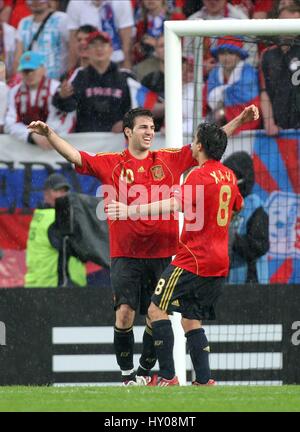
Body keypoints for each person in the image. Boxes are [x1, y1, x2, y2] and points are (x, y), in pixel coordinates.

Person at [26, 105, 259, 385]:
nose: (150, 132)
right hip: (126, 253)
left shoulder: (170, 159)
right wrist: (50, 134)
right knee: (125, 314)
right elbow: (75, 155)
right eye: (144, 127)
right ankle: (128, 375)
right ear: (128, 132)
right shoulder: (111, 162)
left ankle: (148, 372)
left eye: (152, 127)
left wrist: (240, 120)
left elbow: (211, 141)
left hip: (164, 252)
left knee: (155, 316)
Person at [106, 121, 244, 386]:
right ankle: (204, 381)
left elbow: (174, 203)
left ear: (200, 146)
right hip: (219, 261)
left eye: (194, 140)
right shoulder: (228, 175)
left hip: (192, 258)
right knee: (192, 320)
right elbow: (238, 204)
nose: (191, 144)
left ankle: (168, 377)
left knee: (156, 310)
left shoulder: (197, 175)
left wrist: (129, 211)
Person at [52, 31, 131, 133]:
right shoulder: (79, 75)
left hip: (118, 141)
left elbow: (140, 108)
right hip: (87, 140)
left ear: (111, 50)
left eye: (103, 45)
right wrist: (62, 97)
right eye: (94, 45)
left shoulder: (126, 77)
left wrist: (127, 122)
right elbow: (67, 109)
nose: (99, 49)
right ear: (88, 51)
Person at [25, 173, 87, 288]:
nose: (62, 195)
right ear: (46, 193)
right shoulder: (55, 218)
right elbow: (78, 249)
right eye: (58, 191)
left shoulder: (40, 215)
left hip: (39, 285)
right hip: (54, 288)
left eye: (65, 191)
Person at [4, 50, 72, 148]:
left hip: (55, 147)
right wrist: (31, 135)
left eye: (32, 70)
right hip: (25, 147)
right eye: (25, 71)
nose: (29, 74)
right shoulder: (14, 92)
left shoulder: (56, 88)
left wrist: (47, 135)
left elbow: (62, 119)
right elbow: (10, 123)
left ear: (43, 69)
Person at [223, 151, 269, 283]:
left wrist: (233, 240)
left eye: (231, 177)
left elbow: (259, 246)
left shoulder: (256, 207)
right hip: (227, 281)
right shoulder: (225, 206)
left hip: (252, 281)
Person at [260, 5, 300, 136]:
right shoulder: (267, 55)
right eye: (285, 21)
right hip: (278, 130)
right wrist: (269, 122)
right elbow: (264, 91)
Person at [207, 36, 261, 132]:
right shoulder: (214, 73)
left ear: (239, 55)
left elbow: (247, 97)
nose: (226, 58)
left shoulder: (249, 72)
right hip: (219, 122)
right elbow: (208, 97)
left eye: (231, 53)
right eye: (222, 53)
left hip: (249, 123)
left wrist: (221, 98)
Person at [66, 0, 134, 71]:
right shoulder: (75, 3)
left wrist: (127, 71)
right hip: (88, 65)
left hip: (115, 63)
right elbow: (73, 45)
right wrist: (70, 72)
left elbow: (127, 45)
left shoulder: (122, 2)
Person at [13, 0, 69, 80]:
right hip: (31, 84)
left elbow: (73, 50)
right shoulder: (23, 23)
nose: (35, 2)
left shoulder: (62, 19)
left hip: (56, 84)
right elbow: (18, 59)